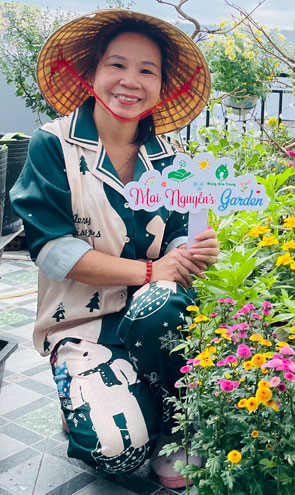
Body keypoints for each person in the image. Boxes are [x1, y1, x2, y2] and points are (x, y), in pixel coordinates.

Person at [9, 9, 217, 488]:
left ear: (163, 87)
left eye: (148, 71)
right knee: (118, 454)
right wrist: (151, 269)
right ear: (92, 73)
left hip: (154, 318)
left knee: (163, 301)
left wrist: (193, 250)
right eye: (116, 65)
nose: (130, 81)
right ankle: (85, 392)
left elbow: (181, 233)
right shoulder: (53, 146)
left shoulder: (171, 160)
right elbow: (53, 252)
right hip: (80, 323)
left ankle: (171, 424)